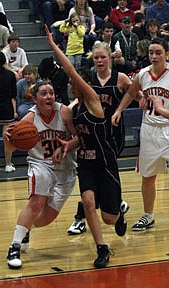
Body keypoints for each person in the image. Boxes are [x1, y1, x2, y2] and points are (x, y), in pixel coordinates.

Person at [46, 24, 129, 268]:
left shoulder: (93, 101)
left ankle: (118, 210)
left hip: (105, 161)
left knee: (110, 217)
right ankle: (102, 248)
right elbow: (79, 138)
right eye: (72, 85)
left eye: (74, 84)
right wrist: (66, 145)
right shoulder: (74, 110)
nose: (72, 87)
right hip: (86, 162)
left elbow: (71, 70)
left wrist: (53, 46)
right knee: (88, 201)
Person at [6, 80, 78, 269]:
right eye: (44, 94)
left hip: (65, 168)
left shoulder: (64, 112)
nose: (49, 97)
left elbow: (79, 137)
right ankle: (14, 245)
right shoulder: (29, 119)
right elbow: (11, 147)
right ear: (35, 98)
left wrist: (68, 145)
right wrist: (8, 138)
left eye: (51, 93)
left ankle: (25, 229)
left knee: (46, 219)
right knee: (36, 201)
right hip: (40, 164)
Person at [68, 41, 131, 235]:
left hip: (112, 136)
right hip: (92, 134)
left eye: (103, 57)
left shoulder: (120, 78)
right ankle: (85, 215)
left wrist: (144, 101)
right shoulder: (89, 80)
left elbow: (135, 92)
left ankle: (112, 207)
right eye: (96, 57)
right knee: (91, 180)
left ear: (110, 57)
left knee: (102, 174)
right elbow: (77, 99)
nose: (99, 60)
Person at [111, 37, 169, 231]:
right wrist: (119, 110)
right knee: (148, 176)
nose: (154, 56)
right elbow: (130, 93)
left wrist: (162, 110)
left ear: (167, 54)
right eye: (151, 52)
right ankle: (148, 216)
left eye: (158, 52)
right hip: (149, 130)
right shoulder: (143, 74)